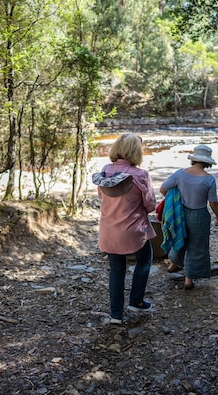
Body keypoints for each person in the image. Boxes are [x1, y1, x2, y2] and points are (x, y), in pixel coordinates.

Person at [95, 133, 157, 324]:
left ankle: (116, 315)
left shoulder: (105, 171)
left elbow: (101, 196)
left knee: (116, 269)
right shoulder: (140, 174)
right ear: (136, 151)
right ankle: (136, 301)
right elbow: (150, 205)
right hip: (133, 231)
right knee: (145, 259)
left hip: (109, 231)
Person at [160, 144, 218, 290]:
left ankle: (172, 265)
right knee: (197, 246)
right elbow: (213, 202)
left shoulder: (180, 174)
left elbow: (163, 188)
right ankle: (188, 279)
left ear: (194, 159)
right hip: (200, 215)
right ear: (207, 162)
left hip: (181, 213)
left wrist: (174, 202)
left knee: (179, 237)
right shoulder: (209, 180)